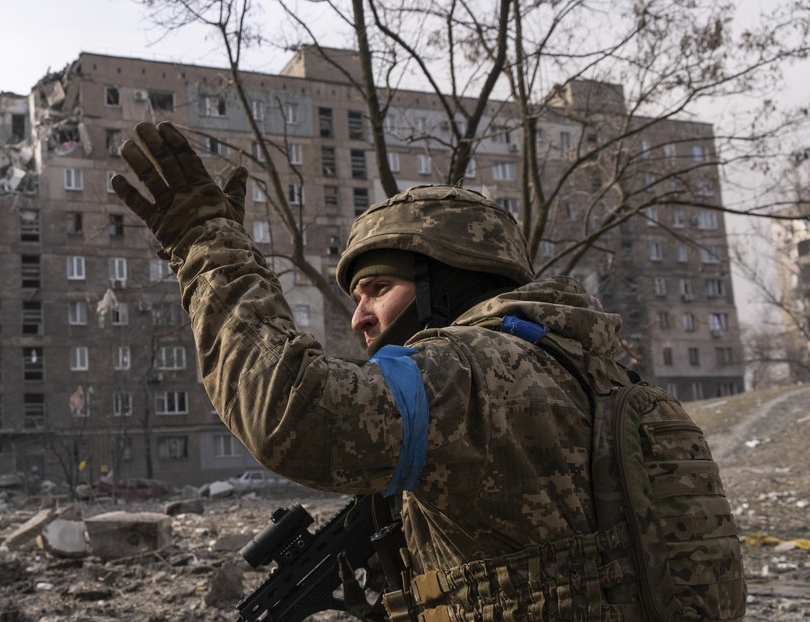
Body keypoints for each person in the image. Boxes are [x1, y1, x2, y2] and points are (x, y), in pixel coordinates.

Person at [111, 121, 743, 620]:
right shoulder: (594, 372)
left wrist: (207, 245)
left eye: (377, 289)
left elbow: (294, 415)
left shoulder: (473, 369)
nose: (359, 318)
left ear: (449, 284)